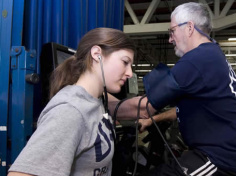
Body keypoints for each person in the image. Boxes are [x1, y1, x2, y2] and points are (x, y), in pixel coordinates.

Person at [137, 2, 236, 176]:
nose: (170, 39)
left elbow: (144, 106)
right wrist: (152, 120)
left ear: (189, 27)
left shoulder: (197, 60)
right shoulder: (212, 54)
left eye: (172, 31)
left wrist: (105, 106)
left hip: (225, 162)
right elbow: (182, 110)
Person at [8, 27, 138, 176]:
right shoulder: (70, 110)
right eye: (125, 62)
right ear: (97, 55)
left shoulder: (96, 100)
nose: (129, 73)